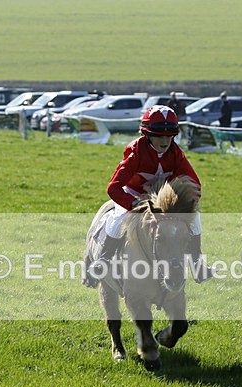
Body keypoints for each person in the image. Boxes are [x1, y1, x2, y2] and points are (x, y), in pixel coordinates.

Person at [84, 105, 213, 287]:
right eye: (159, 135)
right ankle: (103, 260)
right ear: (147, 134)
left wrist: (183, 205)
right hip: (134, 195)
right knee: (117, 218)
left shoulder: (176, 153)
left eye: (169, 136)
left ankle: (197, 263)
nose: (165, 140)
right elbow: (113, 188)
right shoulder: (135, 151)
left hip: (162, 201)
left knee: (195, 217)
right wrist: (134, 204)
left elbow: (195, 185)